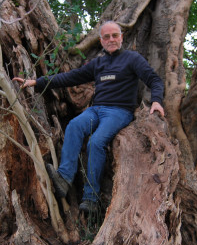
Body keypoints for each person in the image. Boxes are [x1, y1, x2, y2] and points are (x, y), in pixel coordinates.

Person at [13, 21, 164, 214]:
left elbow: (154, 79)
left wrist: (157, 101)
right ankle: (65, 178)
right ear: (101, 40)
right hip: (96, 109)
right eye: (107, 37)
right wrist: (36, 82)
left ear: (121, 37)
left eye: (115, 35)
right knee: (74, 126)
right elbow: (70, 77)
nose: (111, 40)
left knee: (96, 142)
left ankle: (91, 198)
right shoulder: (98, 63)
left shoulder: (132, 59)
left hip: (119, 111)